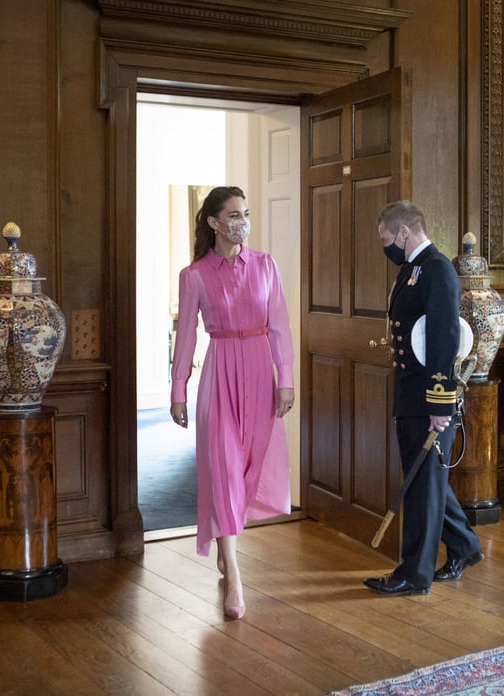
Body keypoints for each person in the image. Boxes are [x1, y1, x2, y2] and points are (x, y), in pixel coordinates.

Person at [169, 185, 294, 620]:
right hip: (219, 375)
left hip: (261, 374)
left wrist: (286, 380)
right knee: (222, 468)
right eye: (235, 214)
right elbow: (186, 337)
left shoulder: (265, 266)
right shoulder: (195, 276)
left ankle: (227, 541)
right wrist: (177, 389)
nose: (242, 220)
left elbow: (279, 325)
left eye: (246, 212)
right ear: (214, 222)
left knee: (248, 467)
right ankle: (235, 577)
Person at [363, 200, 484, 597]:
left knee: (423, 485)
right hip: (410, 392)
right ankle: (465, 546)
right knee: (426, 481)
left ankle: (414, 574)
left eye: (386, 239)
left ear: (403, 232)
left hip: (428, 399)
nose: (385, 247)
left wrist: (439, 406)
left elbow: (444, 342)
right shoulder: (412, 269)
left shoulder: (437, 270)